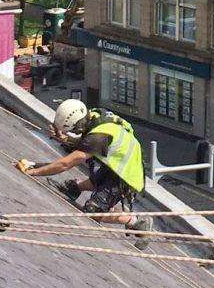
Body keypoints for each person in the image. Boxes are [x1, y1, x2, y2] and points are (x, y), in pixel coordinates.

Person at [19, 99, 153, 249]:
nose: (75, 133)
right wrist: (65, 138)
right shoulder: (94, 116)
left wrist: (34, 172)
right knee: (99, 181)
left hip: (126, 175)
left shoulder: (98, 136)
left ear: (78, 124)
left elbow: (66, 163)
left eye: (75, 130)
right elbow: (84, 142)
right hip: (118, 164)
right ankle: (75, 187)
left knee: (93, 210)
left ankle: (136, 222)